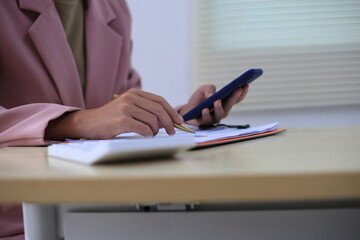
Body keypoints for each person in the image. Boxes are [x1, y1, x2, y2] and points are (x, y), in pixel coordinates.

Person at [0, 0, 249, 239]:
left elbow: (119, 108)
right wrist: (78, 121)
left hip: (101, 212)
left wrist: (183, 119)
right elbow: (96, 120)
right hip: (20, 218)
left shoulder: (112, 7)